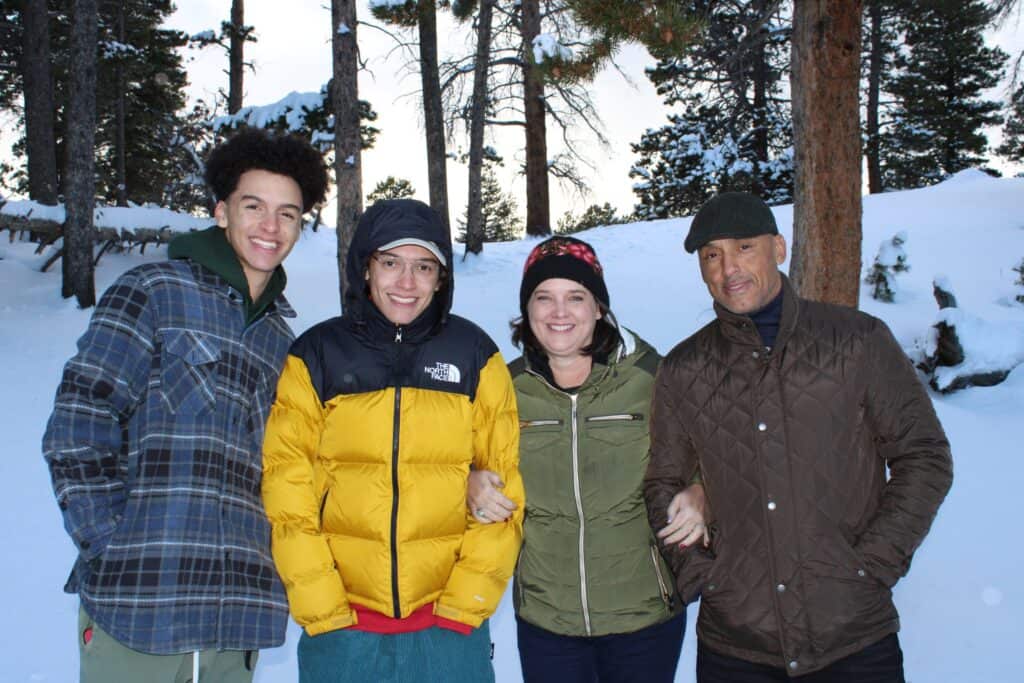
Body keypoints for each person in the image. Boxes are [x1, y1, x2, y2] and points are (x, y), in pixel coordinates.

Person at [42, 129, 329, 682]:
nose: (270, 227)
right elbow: (79, 422)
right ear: (222, 212)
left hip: (234, 624)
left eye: (287, 214)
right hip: (140, 614)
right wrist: (109, 544)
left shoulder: (282, 344)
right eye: (254, 206)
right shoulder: (153, 291)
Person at [644, 191, 954, 682]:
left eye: (745, 247)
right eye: (712, 255)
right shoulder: (684, 369)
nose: (729, 268)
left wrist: (872, 564)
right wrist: (704, 574)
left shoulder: (857, 340)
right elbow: (662, 482)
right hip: (736, 647)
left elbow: (924, 456)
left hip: (854, 639)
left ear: (779, 248)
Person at [260, 198, 524, 682]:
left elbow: (504, 494)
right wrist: (321, 605)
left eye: (423, 267)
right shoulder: (317, 355)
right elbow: (287, 486)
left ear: (441, 278)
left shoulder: (474, 355)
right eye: (390, 263)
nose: (406, 282)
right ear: (365, 268)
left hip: (448, 631)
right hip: (343, 631)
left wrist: (466, 605)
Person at [468, 236, 707, 683]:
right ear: (527, 310)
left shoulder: (651, 376)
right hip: (546, 621)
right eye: (544, 298)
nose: (560, 312)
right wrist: (469, 481)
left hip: (645, 617)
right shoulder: (504, 388)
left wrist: (701, 492)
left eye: (575, 297)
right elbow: (457, 459)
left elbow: (712, 457)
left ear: (598, 307)